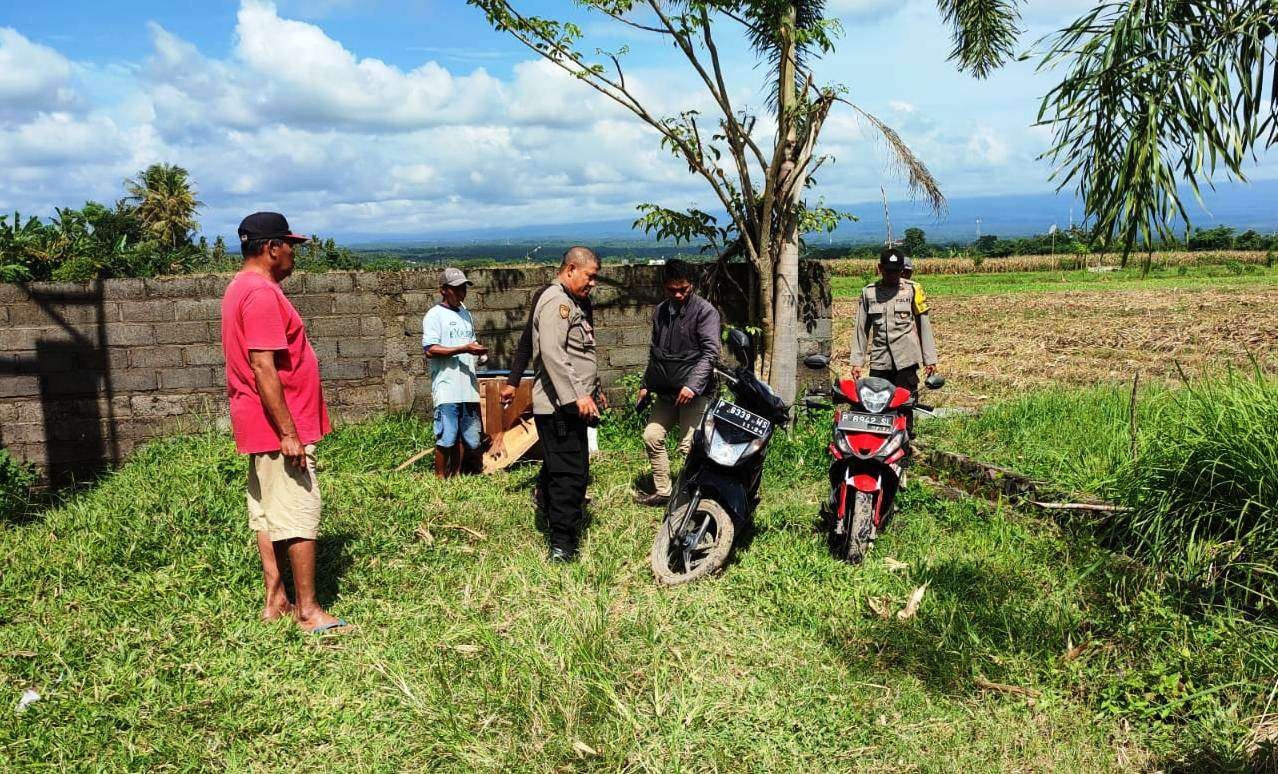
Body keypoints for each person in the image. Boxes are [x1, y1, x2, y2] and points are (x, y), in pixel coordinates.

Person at [220, 211, 346, 634]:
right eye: (289, 244)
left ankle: (275, 595)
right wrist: (289, 433)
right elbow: (263, 367)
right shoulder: (260, 294)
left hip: (260, 425)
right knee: (300, 511)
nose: (294, 252)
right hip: (278, 430)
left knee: (268, 512)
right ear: (272, 248)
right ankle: (308, 611)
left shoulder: (242, 287)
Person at [531, 246, 601, 562]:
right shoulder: (557, 302)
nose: (593, 284)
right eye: (590, 276)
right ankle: (562, 544)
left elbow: (579, 354)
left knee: (561, 465)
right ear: (571, 268)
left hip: (569, 403)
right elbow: (553, 354)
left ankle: (546, 509)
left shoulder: (572, 302)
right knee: (570, 474)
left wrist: (593, 389)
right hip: (559, 406)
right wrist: (578, 395)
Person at [633, 260, 721, 507]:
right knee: (651, 436)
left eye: (683, 289)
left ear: (691, 285)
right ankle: (664, 492)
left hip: (696, 391)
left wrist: (692, 386)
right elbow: (656, 352)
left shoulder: (705, 312)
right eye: (672, 290)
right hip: (666, 391)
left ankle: (694, 496)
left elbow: (710, 353)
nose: (679, 294)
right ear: (664, 287)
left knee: (689, 446)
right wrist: (645, 384)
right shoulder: (661, 311)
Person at [852, 247, 938, 432]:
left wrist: (930, 359)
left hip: (906, 360)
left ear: (902, 270)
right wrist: (857, 362)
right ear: (880, 268)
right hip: (880, 360)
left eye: (897, 271)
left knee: (905, 406)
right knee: (876, 406)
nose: (893, 275)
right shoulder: (869, 293)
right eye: (889, 271)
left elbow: (924, 325)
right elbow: (861, 329)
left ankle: (904, 447)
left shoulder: (913, 290)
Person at [422, 267, 488, 478]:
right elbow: (430, 350)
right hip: (447, 385)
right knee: (447, 435)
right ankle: (440, 476)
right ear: (443, 290)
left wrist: (479, 353)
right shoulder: (434, 315)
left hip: (467, 385)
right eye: (456, 289)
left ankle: (457, 473)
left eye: (463, 289)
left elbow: (471, 340)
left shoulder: (466, 314)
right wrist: (464, 349)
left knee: (466, 435)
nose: (461, 293)